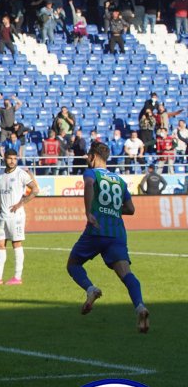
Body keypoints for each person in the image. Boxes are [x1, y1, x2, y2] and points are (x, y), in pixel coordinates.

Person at [68, 142, 150, 334]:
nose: (87, 159)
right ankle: (140, 307)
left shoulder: (91, 173)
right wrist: (113, 209)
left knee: (73, 264)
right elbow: (130, 209)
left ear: (94, 156)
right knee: (126, 274)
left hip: (97, 229)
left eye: (88, 155)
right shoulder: (120, 181)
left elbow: (88, 185)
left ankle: (91, 289)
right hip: (117, 232)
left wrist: (89, 211)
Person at [0, 149, 39, 286]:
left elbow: (35, 190)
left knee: (16, 243)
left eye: (15, 158)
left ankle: (17, 277)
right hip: (3, 215)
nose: (12, 161)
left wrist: (21, 203)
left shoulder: (21, 174)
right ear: (5, 158)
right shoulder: (0, 175)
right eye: (10, 158)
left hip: (16, 216)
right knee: (0, 244)